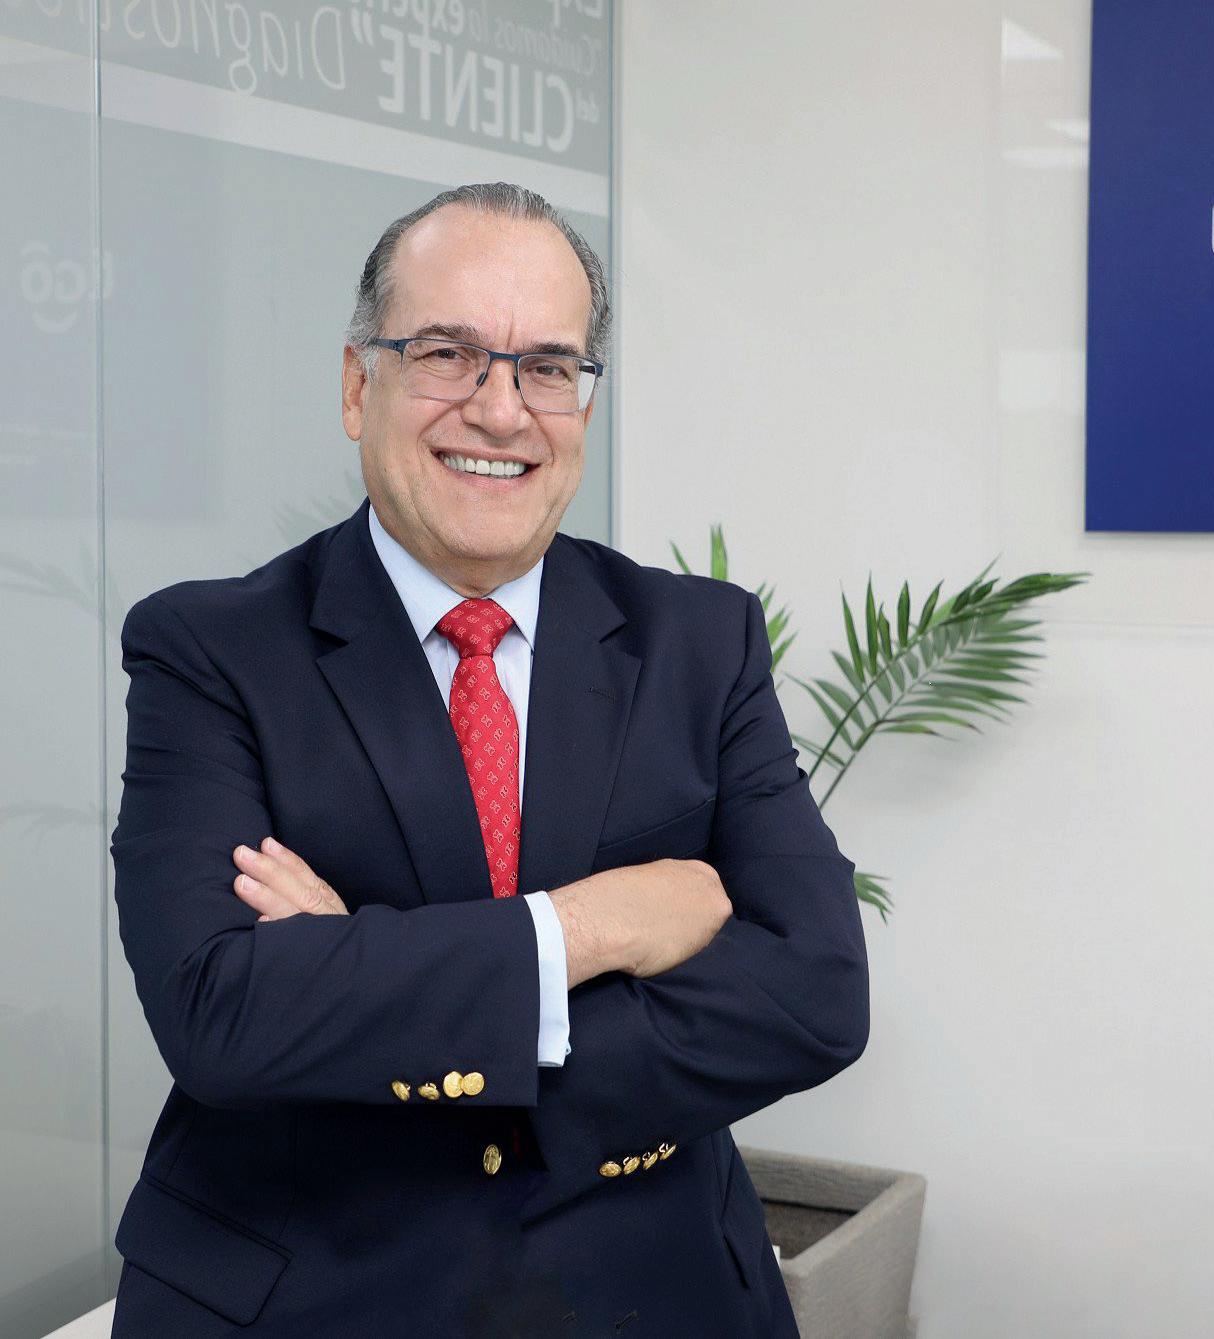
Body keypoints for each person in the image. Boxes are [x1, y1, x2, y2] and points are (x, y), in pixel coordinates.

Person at [107, 181, 870, 1338]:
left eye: (546, 367)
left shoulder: (699, 643)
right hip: (317, 1292)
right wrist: (588, 930)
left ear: (582, 401)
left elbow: (815, 990)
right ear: (358, 385)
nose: (501, 410)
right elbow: (221, 1011)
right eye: (447, 353)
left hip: (649, 1288)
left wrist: (364, 969)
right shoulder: (211, 650)